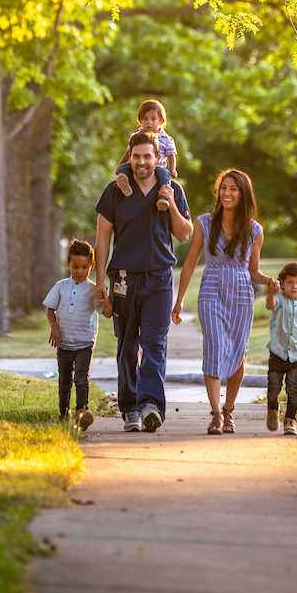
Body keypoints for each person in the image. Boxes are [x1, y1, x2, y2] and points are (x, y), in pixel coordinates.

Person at [95, 130, 192, 432]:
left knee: (154, 344)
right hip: (123, 280)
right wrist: (99, 279)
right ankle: (130, 409)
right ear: (130, 156)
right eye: (136, 156)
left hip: (159, 280)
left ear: (157, 158)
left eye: (147, 156)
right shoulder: (115, 191)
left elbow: (184, 233)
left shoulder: (171, 188)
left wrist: (171, 203)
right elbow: (102, 236)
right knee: (127, 345)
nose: (141, 162)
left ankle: (151, 405)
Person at [172, 169, 278, 435]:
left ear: (243, 194)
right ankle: (216, 415)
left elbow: (253, 270)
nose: (227, 193)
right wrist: (179, 300)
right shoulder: (204, 223)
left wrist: (267, 281)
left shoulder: (255, 230)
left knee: (238, 354)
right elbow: (190, 263)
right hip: (211, 289)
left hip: (242, 291)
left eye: (233, 189)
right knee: (215, 348)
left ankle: (230, 411)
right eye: (223, 188)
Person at [43, 239, 113, 431]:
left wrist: (105, 299)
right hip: (64, 344)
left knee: (81, 378)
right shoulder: (61, 286)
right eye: (75, 266)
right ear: (68, 265)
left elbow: (107, 313)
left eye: (84, 267)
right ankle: (63, 414)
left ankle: (82, 412)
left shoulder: (93, 289)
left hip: (84, 342)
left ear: (92, 266)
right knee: (64, 381)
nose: (80, 271)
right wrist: (54, 326)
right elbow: (50, 308)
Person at [265, 261, 297, 436]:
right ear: (282, 283)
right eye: (290, 282)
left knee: (292, 390)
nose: (294, 286)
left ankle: (290, 420)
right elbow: (270, 304)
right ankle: (273, 410)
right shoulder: (278, 300)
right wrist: (271, 292)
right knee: (274, 389)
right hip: (278, 354)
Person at [115, 99, 177, 211]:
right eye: (145, 119)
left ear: (161, 121)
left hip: (159, 167)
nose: (149, 122)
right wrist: (120, 165)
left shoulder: (166, 139)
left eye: (153, 119)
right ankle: (124, 184)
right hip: (136, 166)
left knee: (164, 175)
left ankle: (163, 197)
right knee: (125, 168)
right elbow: (129, 152)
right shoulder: (136, 136)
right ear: (140, 121)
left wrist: (173, 169)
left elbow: (171, 155)